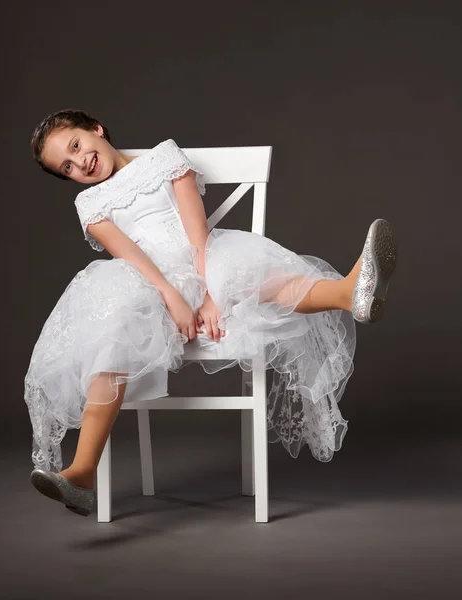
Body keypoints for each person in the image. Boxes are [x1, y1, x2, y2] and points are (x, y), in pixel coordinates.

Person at [25, 109, 398, 516]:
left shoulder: (164, 157)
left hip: (203, 257)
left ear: (95, 128)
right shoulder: (91, 202)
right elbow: (131, 258)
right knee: (115, 323)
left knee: (239, 271)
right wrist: (172, 296)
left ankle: (347, 293)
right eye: (68, 166)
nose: (80, 162)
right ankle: (81, 471)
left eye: (76, 146)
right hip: (148, 284)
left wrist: (208, 294)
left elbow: (197, 233)